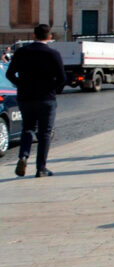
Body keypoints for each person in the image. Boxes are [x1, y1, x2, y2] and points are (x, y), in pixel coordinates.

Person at [5, 23, 67, 178]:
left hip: (26, 97)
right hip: (46, 98)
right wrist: (52, 89)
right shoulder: (53, 54)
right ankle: (41, 168)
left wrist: (22, 85)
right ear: (50, 36)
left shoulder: (21, 52)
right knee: (45, 132)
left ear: (33, 35)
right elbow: (62, 78)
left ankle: (23, 156)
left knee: (27, 128)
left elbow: (10, 74)